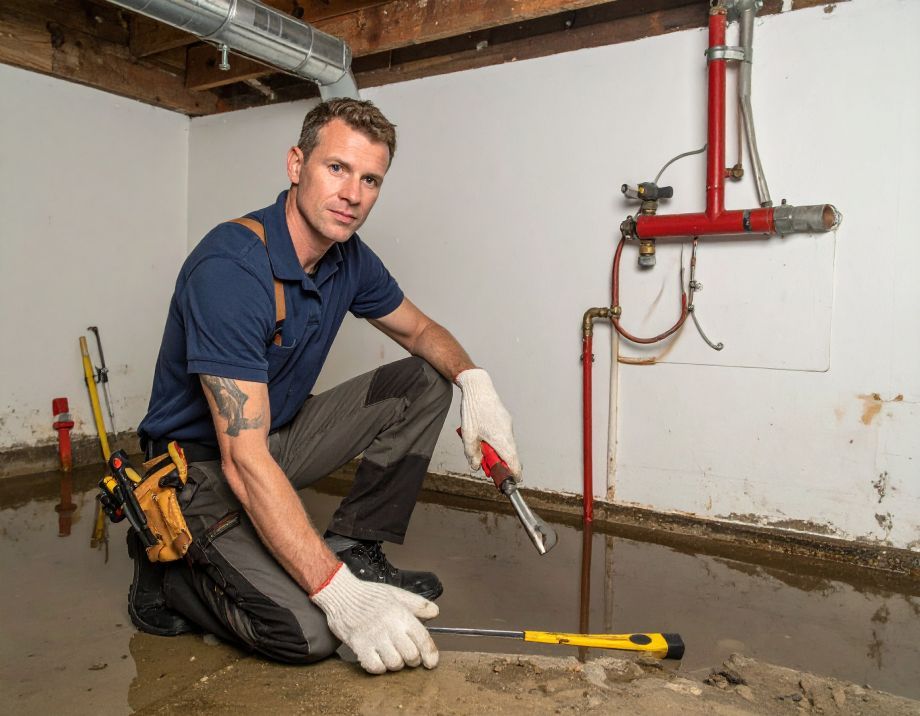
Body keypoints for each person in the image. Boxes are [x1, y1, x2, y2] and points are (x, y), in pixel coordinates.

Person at [131, 98, 522, 675]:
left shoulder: (348, 259)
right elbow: (241, 460)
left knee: (425, 379)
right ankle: (168, 573)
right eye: (336, 168)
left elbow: (420, 330)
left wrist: (476, 382)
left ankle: (356, 548)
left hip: (276, 441)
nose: (353, 194)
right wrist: (339, 596)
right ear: (296, 165)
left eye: (370, 180)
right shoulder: (232, 268)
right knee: (310, 632)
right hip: (199, 471)